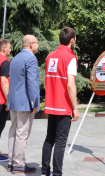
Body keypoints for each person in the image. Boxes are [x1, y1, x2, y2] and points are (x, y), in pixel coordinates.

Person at [41, 27, 80, 176]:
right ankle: (57, 173)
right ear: (72, 40)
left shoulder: (50, 57)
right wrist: (75, 108)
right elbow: (71, 84)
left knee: (49, 138)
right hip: (63, 105)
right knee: (61, 141)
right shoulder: (71, 57)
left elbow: (46, 81)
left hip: (51, 104)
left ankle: (45, 172)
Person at [7, 35, 40, 174]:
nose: (38, 45)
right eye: (37, 43)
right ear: (31, 44)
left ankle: (11, 162)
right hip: (25, 102)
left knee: (13, 132)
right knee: (22, 134)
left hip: (13, 102)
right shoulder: (31, 59)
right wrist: (35, 102)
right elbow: (32, 83)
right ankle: (19, 164)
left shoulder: (15, 58)